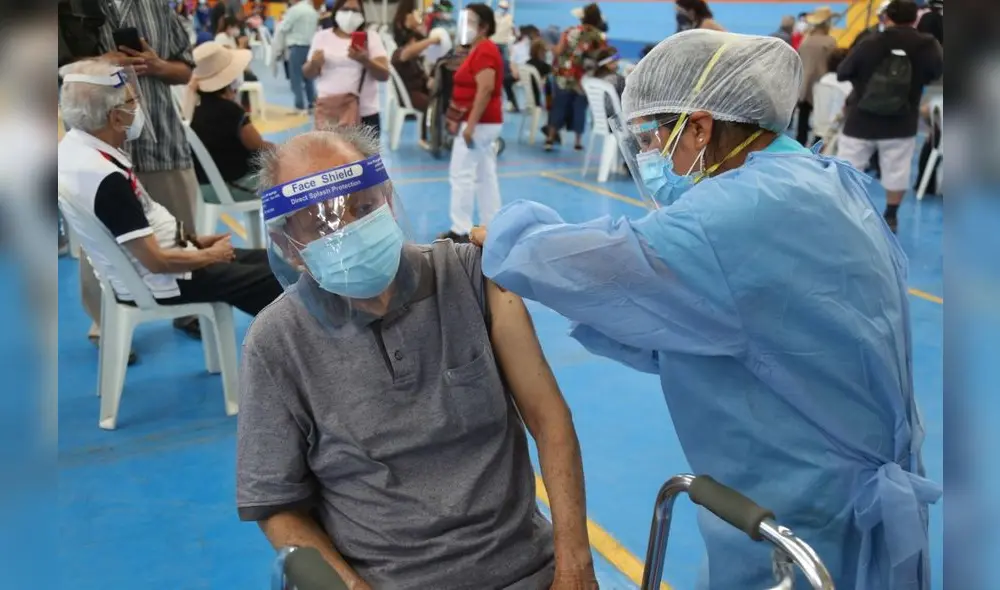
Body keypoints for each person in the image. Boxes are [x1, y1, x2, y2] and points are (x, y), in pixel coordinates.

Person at [472, 29, 941, 590]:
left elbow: (609, 266)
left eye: (650, 140)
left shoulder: (738, 213)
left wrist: (500, 234)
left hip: (805, 506)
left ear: (699, 126)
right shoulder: (819, 179)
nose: (646, 158)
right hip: (844, 480)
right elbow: (709, 320)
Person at [237, 128, 597, 590]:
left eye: (362, 206)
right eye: (320, 222)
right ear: (290, 246)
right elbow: (277, 505)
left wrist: (574, 565)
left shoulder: (471, 276)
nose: (346, 227)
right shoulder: (276, 342)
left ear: (386, 201)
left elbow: (550, 420)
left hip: (529, 570)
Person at [58, 61, 283, 324]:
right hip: (169, 278)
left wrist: (195, 242)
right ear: (115, 117)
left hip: (172, 261)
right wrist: (210, 256)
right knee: (283, 275)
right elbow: (156, 261)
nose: (137, 108)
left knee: (274, 259)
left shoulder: (78, 150)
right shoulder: (106, 179)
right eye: (131, 102)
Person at [60, 0, 205, 343]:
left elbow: (186, 69)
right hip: (97, 143)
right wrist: (99, 65)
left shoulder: (157, 6)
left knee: (179, 223)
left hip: (159, 134)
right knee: (100, 242)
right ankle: (104, 323)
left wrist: (157, 65)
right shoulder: (69, 7)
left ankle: (191, 307)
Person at [837, 0, 943, 232]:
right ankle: (891, 216)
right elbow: (936, 72)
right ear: (915, 17)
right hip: (901, 121)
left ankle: (848, 212)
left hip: (860, 119)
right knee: (898, 168)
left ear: (887, 16)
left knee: (848, 166)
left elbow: (843, 72)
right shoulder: (927, 44)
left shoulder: (871, 41)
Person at [440, 4, 504, 243]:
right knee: (484, 174)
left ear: (484, 26)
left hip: (479, 122)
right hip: (485, 122)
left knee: (461, 174)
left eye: (470, 22)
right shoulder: (479, 49)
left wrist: (471, 124)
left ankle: (460, 229)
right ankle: (493, 224)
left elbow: (485, 88)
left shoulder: (485, 50)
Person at [188, 42, 273, 205]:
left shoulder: (194, 110)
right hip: (234, 185)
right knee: (292, 184)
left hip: (203, 187)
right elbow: (257, 145)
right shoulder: (231, 111)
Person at [304, 0, 390, 134]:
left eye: (355, 10)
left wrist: (365, 60)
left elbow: (384, 75)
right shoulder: (322, 37)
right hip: (329, 112)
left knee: (366, 154)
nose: (350, 14)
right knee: (329, 154)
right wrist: (314, 64)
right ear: (336, 11)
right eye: (345, 9)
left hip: (364, 113)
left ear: (362, 15)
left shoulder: (371, 38)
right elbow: (308, 73)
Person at [546, 3, 606, 151]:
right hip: (584, 79)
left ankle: (550, 138)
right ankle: (577, 142)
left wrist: (550, 48)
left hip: (564, 76)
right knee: (580, 108)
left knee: (558, 107)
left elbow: (559, 51)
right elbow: (602, 57)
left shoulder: (569, 31)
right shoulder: (599, 37)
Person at [796, 7, 838, 145]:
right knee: (821, 119)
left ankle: (800, 142)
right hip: (822, 83)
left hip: (804, 83)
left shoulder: (806, 41)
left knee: (803, 117)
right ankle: (817, 144)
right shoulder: (830, 41)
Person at [279, 0, 320, 114]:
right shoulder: (312, 11)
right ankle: (312, 104)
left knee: (296, 77)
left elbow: (284, 27)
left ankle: (299, 106)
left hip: (297, 46)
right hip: (310, 46)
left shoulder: (294, 10)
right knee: (309, 78)